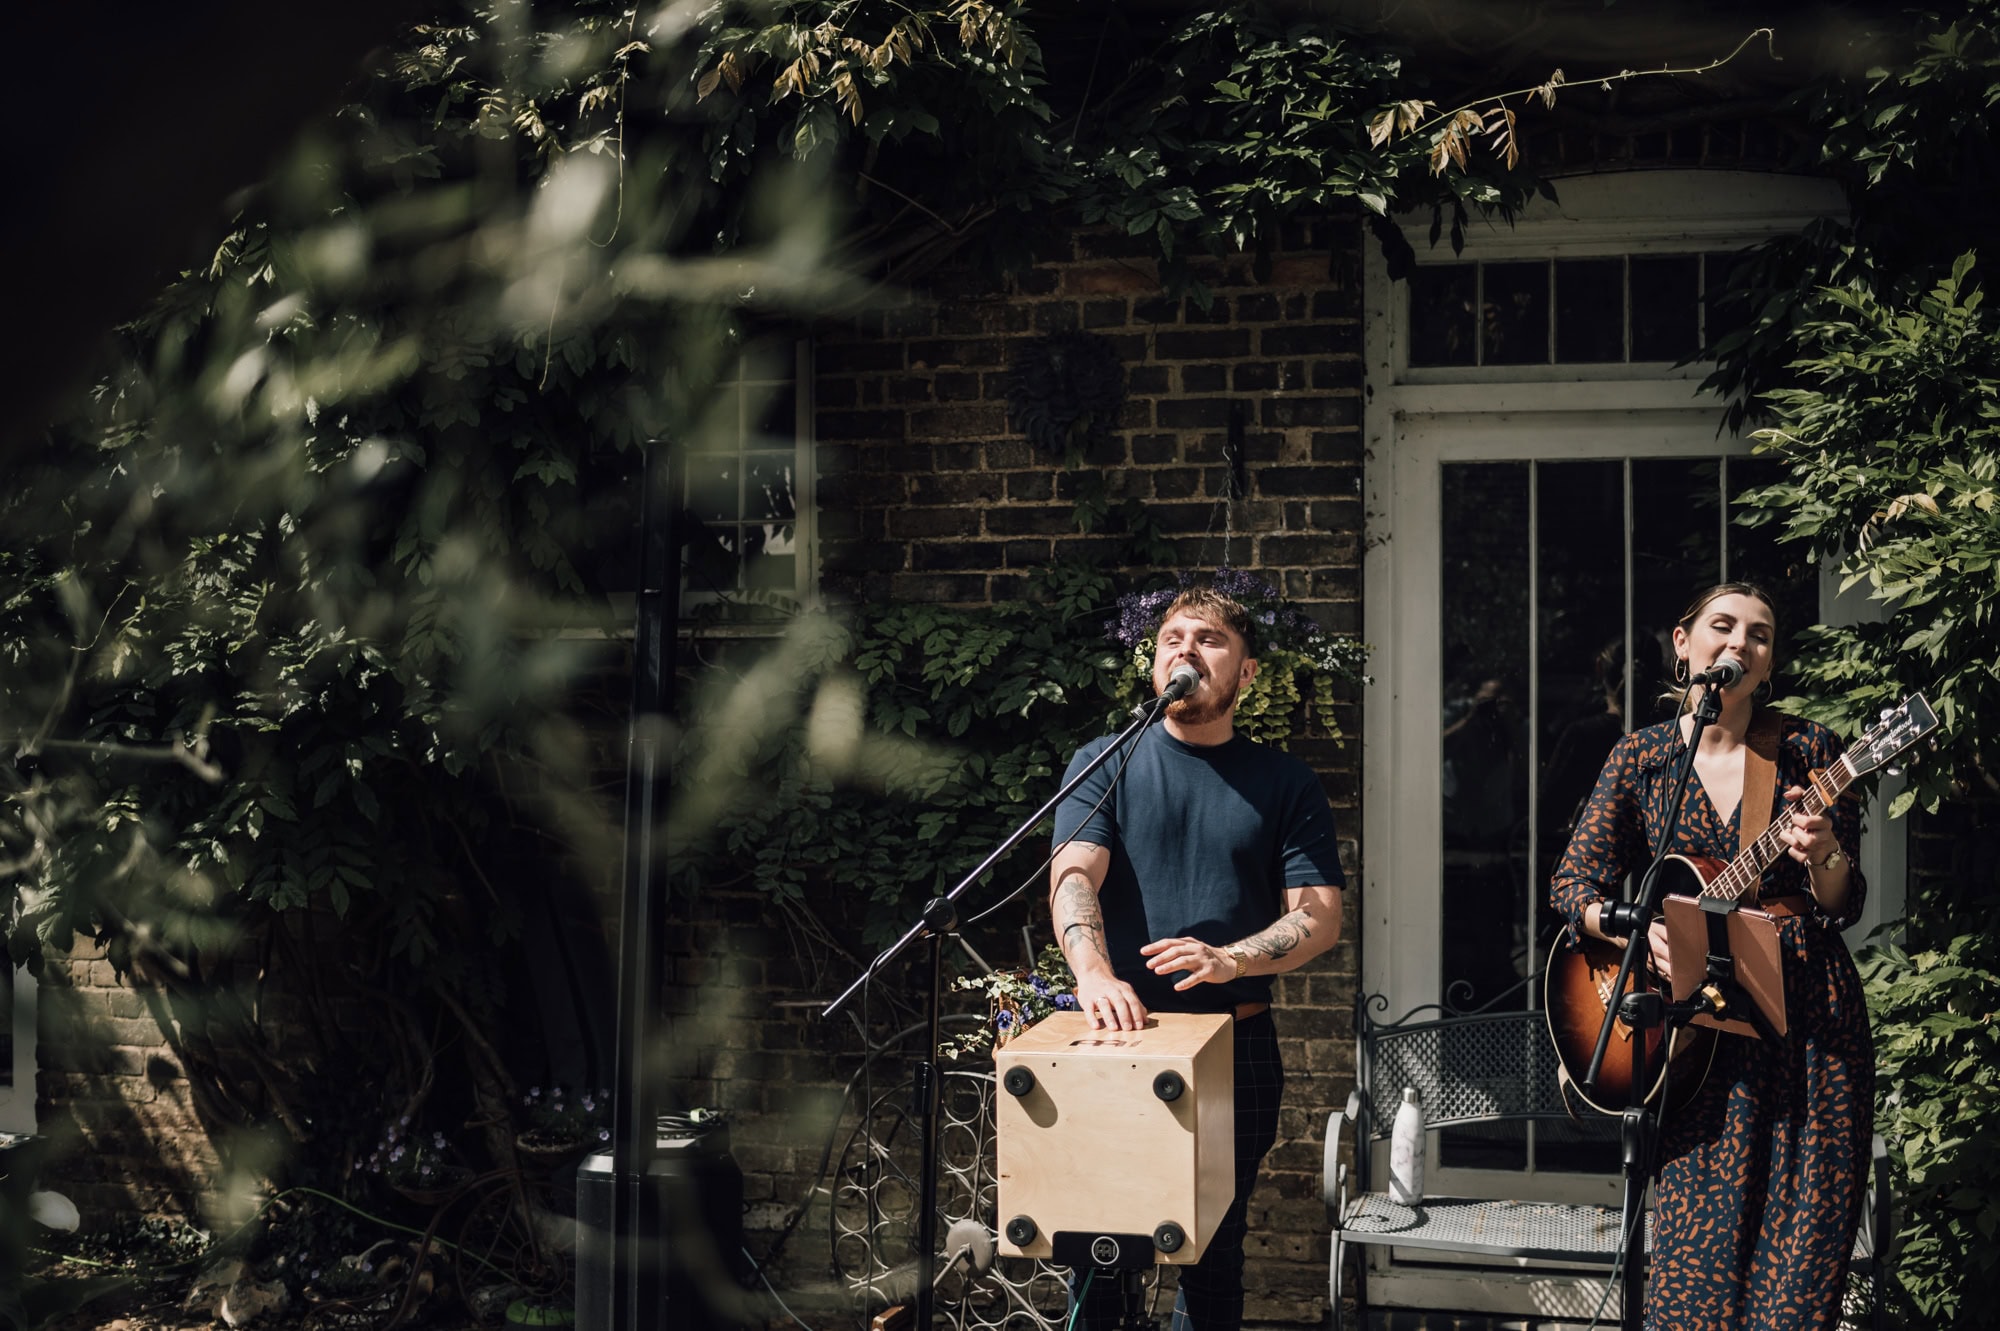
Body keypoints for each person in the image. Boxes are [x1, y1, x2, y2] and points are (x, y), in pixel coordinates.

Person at [1548, 582, 1873, 1330]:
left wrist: (1823, 853)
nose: (1739, 643)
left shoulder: (1810, 751)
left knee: (1796, 1281)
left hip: (1809, 1036)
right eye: (1722, 627)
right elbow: (1572, 884)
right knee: (1697, 1279)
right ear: (1683, 642)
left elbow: (1843, 903)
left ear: (1767, 664)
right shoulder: (1643, 758)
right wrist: (1635, 927)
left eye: (1758, 636)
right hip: (1692, 1047)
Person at [1049, 585, 1346, 1331]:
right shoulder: (1105, 760)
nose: (1185, 648)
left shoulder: (1285, 782)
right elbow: (1074, 875)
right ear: (1154, 664)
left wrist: (1231, 958)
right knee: (1101, 1249)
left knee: (1212, 1252)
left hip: (1234, 1046)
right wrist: (1094, 972)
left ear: (1246, 673)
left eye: (1209, 638)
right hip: (1119, 1043)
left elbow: (1318, 916)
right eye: (1171, 638)